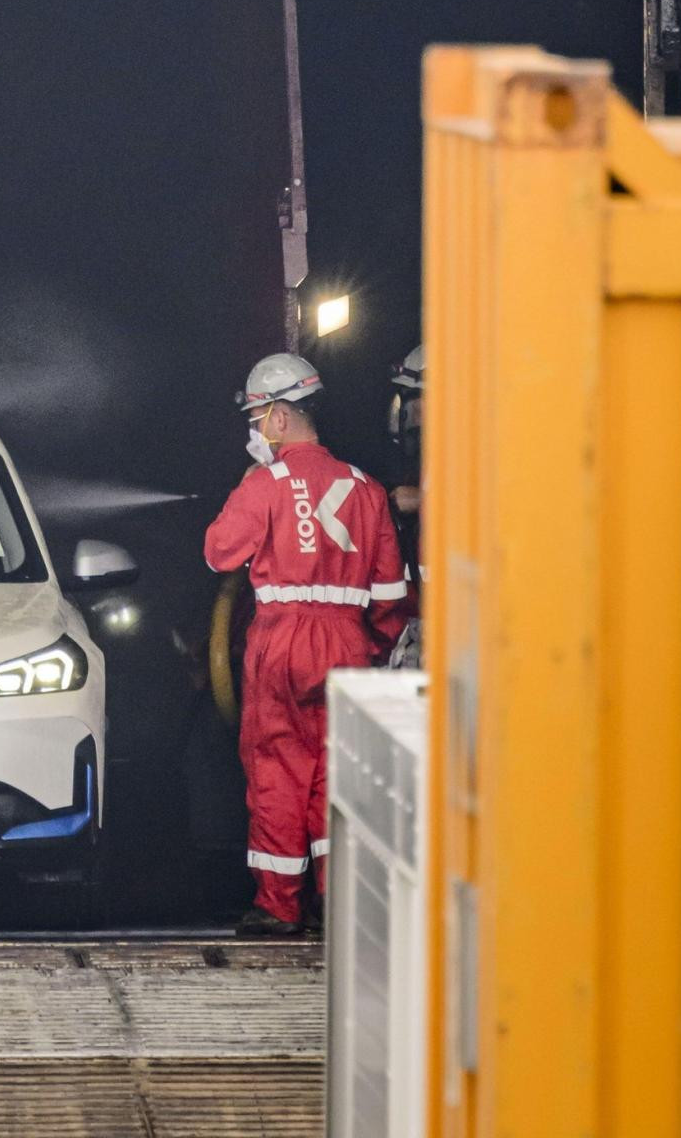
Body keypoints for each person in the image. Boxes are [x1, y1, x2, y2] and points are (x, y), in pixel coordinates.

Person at [202, 351, 409, 935]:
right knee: (334, 777)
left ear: (278, 416)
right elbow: (391, 595)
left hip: (284, 641)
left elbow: (219, 551)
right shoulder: (367, 489)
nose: (254, 431)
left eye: (256, 419)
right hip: (349, 646)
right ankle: (333, 899)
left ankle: (278, 904)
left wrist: (245, 485)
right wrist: (373, 651)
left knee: (277, 769)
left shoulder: (264, 484)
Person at [386, 344, 425, 669]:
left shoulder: (479, 451)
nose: (404, 410)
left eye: (411, 398)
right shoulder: (429, 462)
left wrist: (425, 502)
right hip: (423, 619)